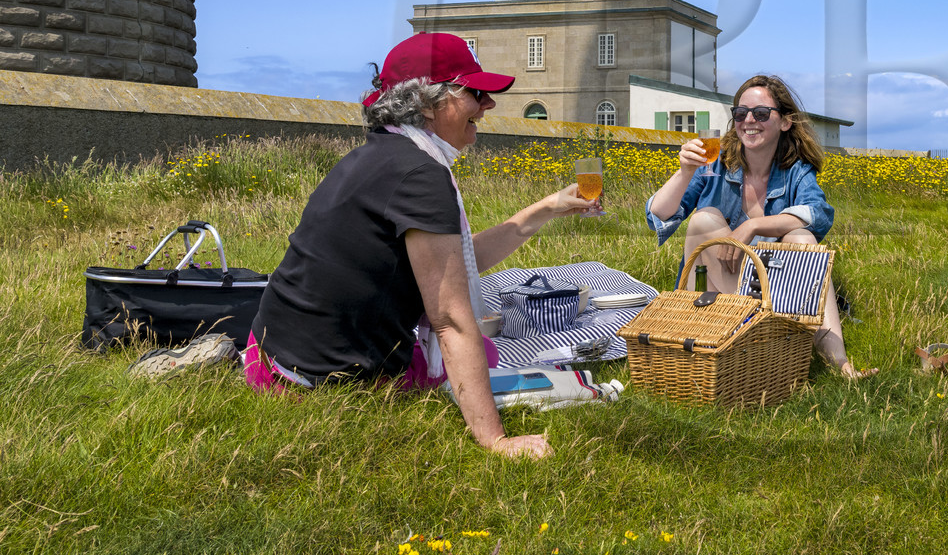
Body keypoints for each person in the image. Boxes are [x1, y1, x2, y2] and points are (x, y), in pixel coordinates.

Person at [247, 33, 599, 459]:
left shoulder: (384, 154)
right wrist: (496, 439)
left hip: (269, 357)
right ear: (429, 104)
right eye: (475, 92)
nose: (487, 104)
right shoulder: (421, 175)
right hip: (316, 383)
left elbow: (459, 258)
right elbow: (449, 318)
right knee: (481, 352)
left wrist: (548, 208)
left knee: (478, 348)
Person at [646, 74, 874, 378]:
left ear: (784, 122)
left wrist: (754, 225)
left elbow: (818, 213)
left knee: (802, 236)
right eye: (741, 113)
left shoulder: (795, 171)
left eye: (761, 113)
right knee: (704, 219)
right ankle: (763, 343)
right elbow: (658, 217)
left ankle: (839, 364)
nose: (749, 120)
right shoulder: (714, 163)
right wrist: (685, 171)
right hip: (713, 298)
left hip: (770, 294)